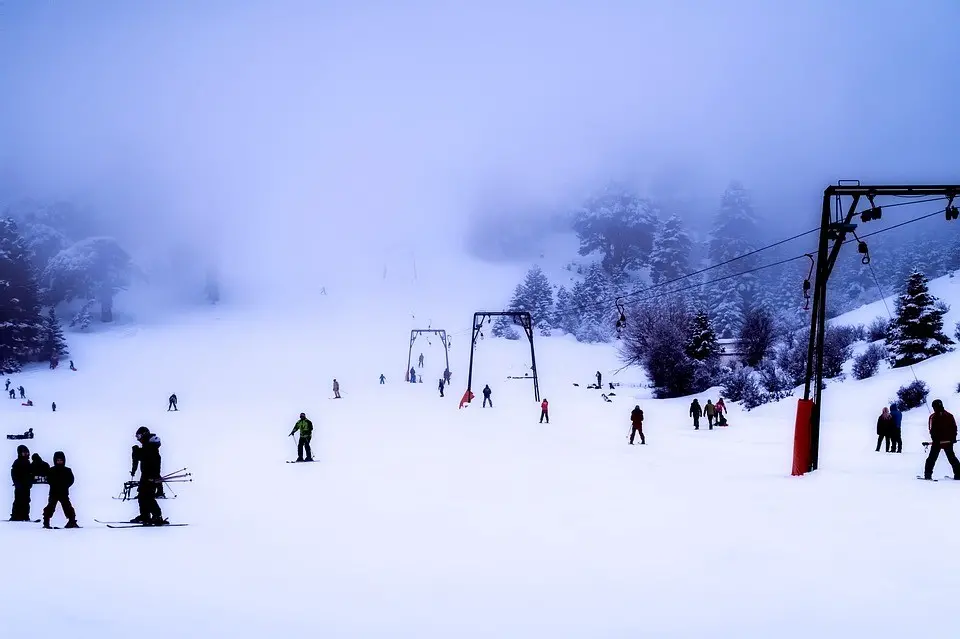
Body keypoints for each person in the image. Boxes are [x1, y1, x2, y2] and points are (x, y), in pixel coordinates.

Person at [131, 426, 167, 525]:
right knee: (142, 496)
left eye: (138, 436)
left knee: (148, 497)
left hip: (150, 476)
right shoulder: (148, 445)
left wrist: (136, 452)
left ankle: (157, 516)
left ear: (144, 435)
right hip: (146, 475)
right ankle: (145, 515)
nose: (138, 439)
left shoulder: (150, 446)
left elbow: (143, 456)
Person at [924, 399, 960, 480]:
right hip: (947, 441)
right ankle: (959, 475)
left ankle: (927, 475)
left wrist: (935, 439)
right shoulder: (949, 415)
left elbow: (931, 429)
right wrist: (953, 438)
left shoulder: (933, 417)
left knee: (931, 459)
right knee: (952, 458)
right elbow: (954, 428)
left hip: (939, 442)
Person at [43, 451, 79, 529]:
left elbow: (71, 480)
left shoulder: (67, 470)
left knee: (67, 507)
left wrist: (65, 486)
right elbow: (48, 479)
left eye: (61, 460)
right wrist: (54, 484)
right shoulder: (51, 470)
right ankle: (46, 521)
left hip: (64, 492)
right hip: (54, 492)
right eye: (58, 460)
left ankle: (72, 521)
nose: (59, 462)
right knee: (50, 507)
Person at [10, 445, 33, 521]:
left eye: (26, 453)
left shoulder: (28, 462)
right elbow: (13, 473)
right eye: (23, 453)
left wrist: (30, 482)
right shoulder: (17, 462)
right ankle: (15, 516)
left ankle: (25, 515)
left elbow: (31, 473)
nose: (25, 454)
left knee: (26, 501)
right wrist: (17, 483)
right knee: (18, 501)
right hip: (19, 486)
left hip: (26, 486)